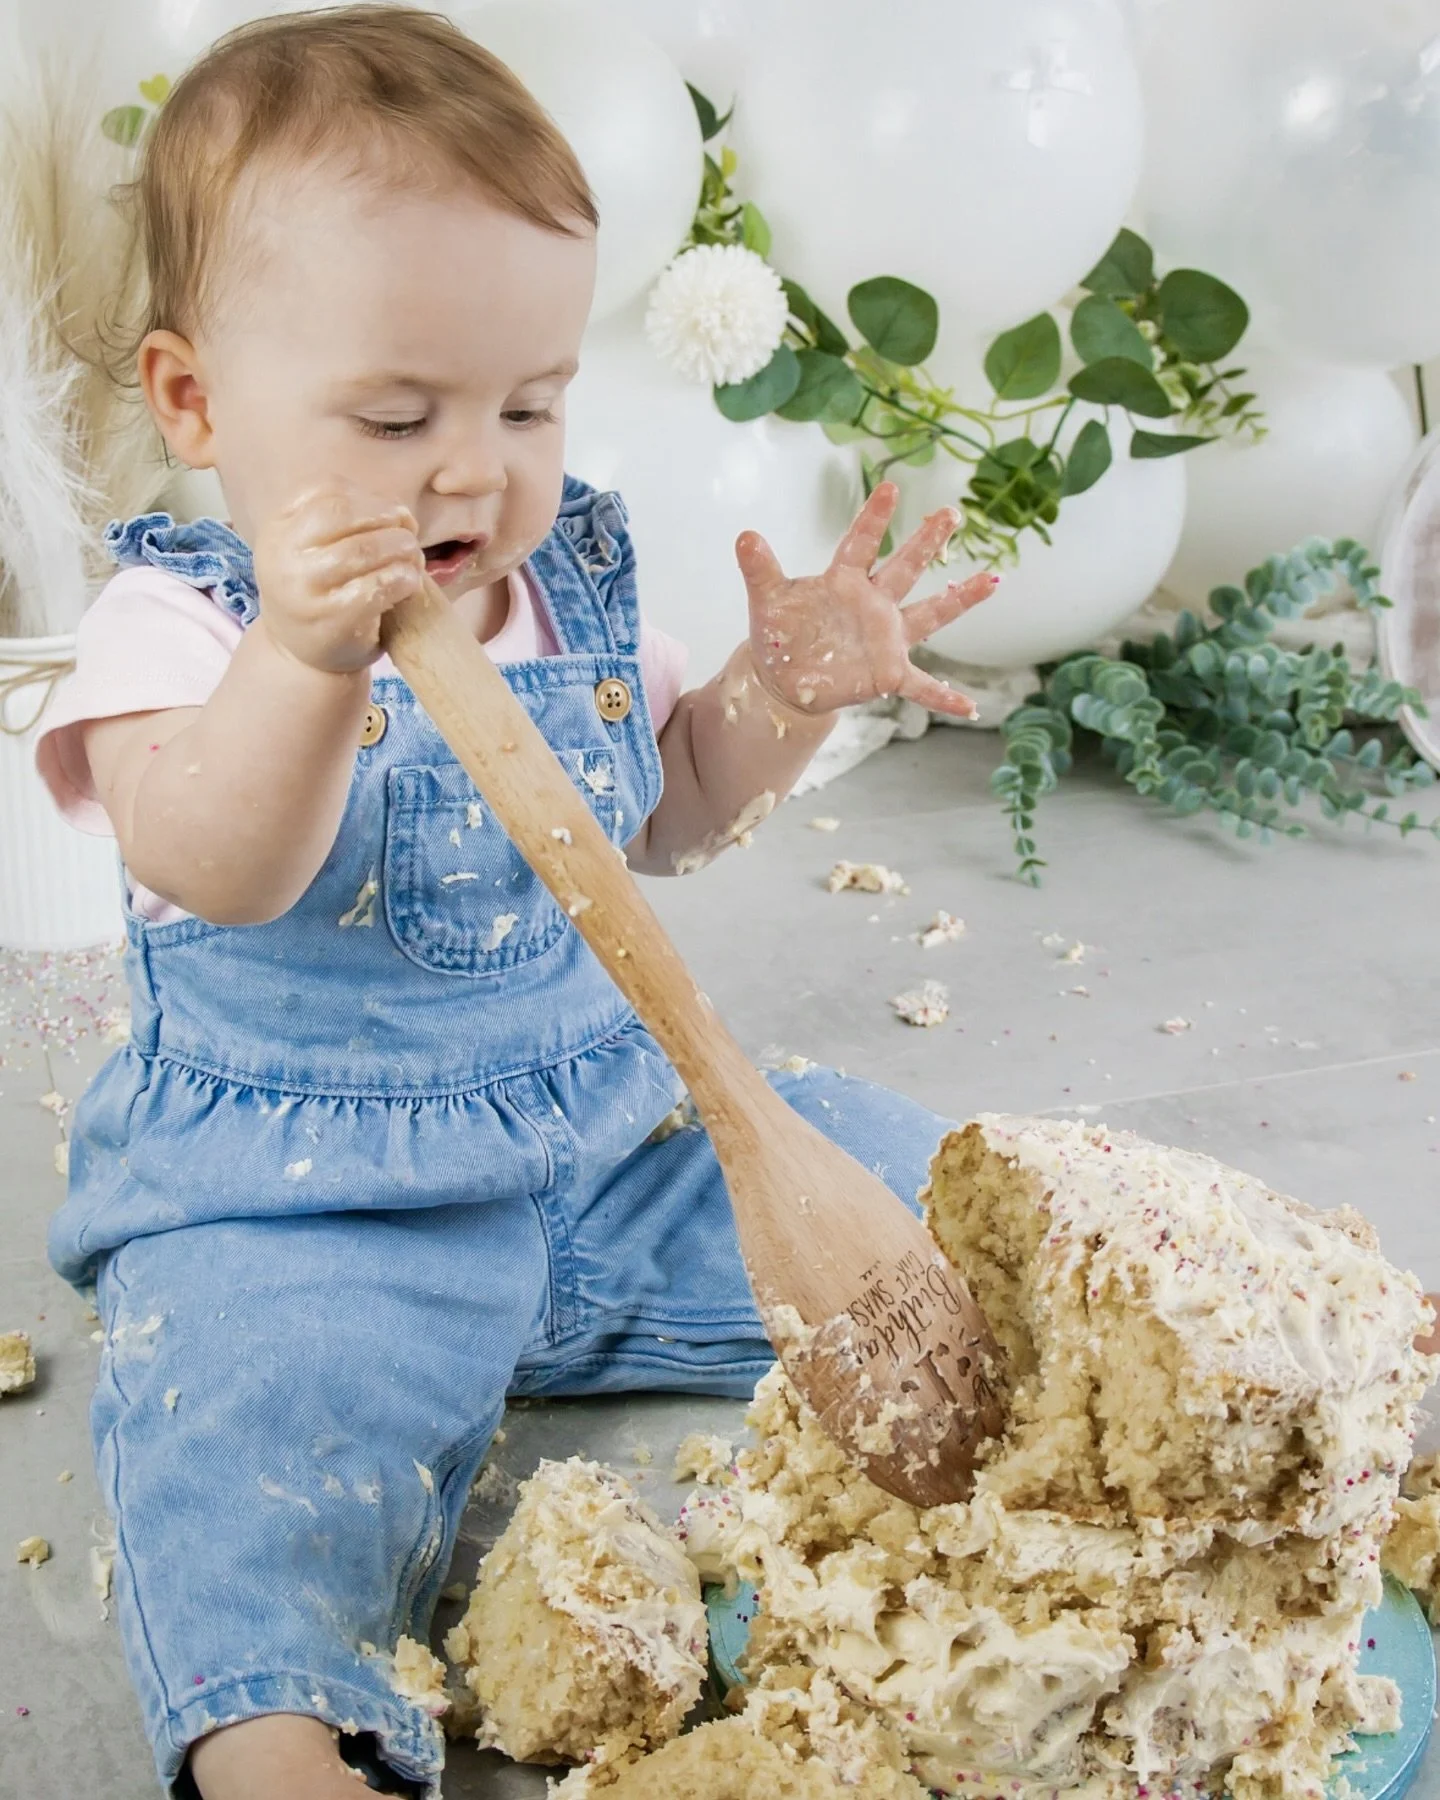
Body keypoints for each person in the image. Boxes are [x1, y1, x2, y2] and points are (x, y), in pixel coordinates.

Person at [34, 8, 996, 1798]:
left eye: (532, 402)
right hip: (308, 1211)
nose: (477, 465)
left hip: (621, 1143)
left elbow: (665, 817)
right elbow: (214, 862)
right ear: (196, 401)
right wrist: (310, 660)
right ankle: (285, 1744)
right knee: (248, 1450)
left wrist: (780, 702)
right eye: (396, 414)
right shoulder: (180, 626)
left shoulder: (571, 592)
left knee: (931, 1182)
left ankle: (1209, 1379)